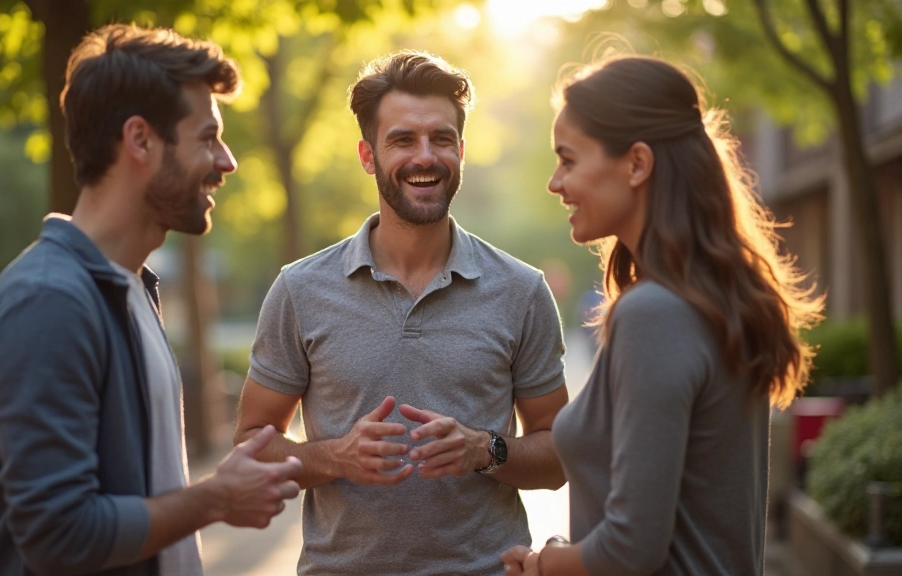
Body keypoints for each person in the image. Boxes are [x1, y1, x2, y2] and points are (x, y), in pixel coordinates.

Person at [0, 24, 302, 576]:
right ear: (140, 139)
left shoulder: (129, 288)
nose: (227, 161)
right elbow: (60, 536)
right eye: (207, 136)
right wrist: (216, 497)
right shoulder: (49, 303)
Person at [234, 50, 569, 575]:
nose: (425, 157)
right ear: (368, 155)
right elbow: (252, 447)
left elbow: (558, 457)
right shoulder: (299, 289)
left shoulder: (522, 290)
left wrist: (487, 450)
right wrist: (335, 457)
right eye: (402, 140)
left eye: (440, 139)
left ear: (461, 150)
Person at [501, 56, 824, 576]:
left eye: (568, 159)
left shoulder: (654, 314)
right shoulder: (711, 299)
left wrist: (544, 563)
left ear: (636, 164)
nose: (554, 183)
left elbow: (631, 548)